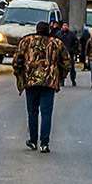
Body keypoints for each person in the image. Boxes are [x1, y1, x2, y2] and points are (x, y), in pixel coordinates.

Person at [13, 21, 71, 153]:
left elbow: (17, 61)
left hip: (31, 82)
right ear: (49, 30)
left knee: (32, 112)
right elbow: (67, 63)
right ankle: (44, 143)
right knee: (46, 114)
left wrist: (20, 75)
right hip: (49, 83)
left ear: (37, 30)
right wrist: (60, 76)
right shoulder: (57, 43)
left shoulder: (26, 41)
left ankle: (33, 141)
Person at [57, 22, 79, 87]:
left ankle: (73, 80)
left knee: (72, 68)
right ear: (62, 27)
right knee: (61, 68)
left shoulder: (71, 34)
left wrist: (73, 50)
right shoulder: (58, 34)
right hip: (61, 55)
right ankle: (62, 80)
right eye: (64, 25)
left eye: (66, 25)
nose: (65, 27)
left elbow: (76, 42)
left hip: (70, 54)